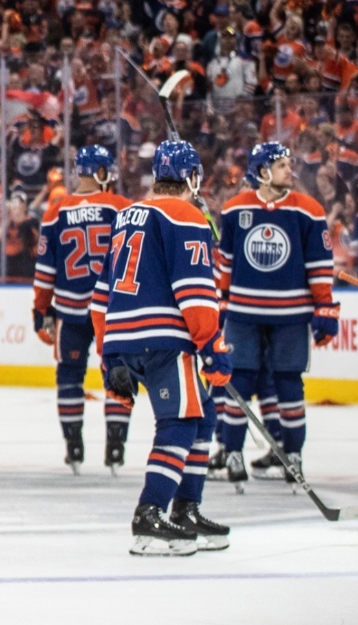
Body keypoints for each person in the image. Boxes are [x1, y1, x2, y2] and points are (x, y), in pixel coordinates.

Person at [93, 141, 230, 556]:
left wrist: (108, 355)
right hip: (164, 339)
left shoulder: (126, 215)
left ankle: (186, 509)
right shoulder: (186, 214)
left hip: (123, 335)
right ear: (192, 178)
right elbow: (195, 291)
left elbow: (102, 293)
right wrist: (213, 346)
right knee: (182, 423)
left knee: (202, 416)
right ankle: (149, 514)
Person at [211, 142, 337, 489]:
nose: (289, 171)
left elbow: (319, 266)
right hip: (243, 313)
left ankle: (293, 455)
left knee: (288, 384)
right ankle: (232, 452)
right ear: (262, 171)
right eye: (281, 165)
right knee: (238, 382)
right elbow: (225, 263)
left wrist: (324, 307)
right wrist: (221, 304)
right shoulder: (235, 209)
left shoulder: (308, 210)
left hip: (291, 314)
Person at [31, 145, 132, 474]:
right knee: (119, 374)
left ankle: (73, 444)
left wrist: (40, 310)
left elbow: (46, 270)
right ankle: (115, 445)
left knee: (69, 377)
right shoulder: (121, 206)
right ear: (101, 172)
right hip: (113, 311)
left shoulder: (56, 210)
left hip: (70, 311)